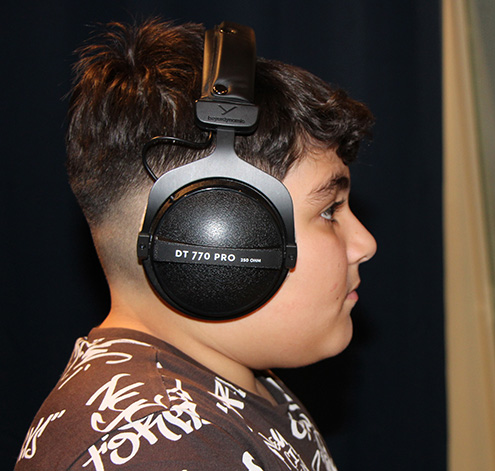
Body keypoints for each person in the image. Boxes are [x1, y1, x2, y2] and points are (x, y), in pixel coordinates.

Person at [16, 17, 377, 471]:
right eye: (329, 210)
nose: (365, 243)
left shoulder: (229, 383)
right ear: (213, 237)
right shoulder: (159, 448)